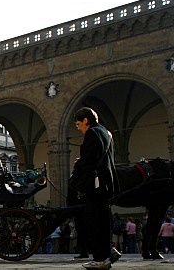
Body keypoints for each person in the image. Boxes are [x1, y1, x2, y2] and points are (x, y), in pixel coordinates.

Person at [71, 107, 119, 269]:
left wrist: (79, 163)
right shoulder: (106, 132)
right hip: (106, 183)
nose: (78, 128)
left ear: (86, 120)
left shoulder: (92, 133)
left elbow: (91, 158)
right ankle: (107, 253)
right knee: (103, 220)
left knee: (94, 221)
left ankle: (100, 258)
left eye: (79, 124)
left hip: (96, 184)